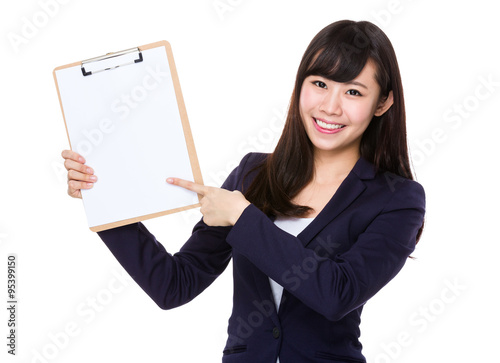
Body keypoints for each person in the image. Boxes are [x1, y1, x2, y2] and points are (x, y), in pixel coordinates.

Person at [62, 20, 425, 363]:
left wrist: (243, 217)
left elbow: (336, 294)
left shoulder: (397, 199)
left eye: (353, 92)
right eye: (319, 84)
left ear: (383, 103)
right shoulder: (254, 174)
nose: (330, 106)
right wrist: (105, 200)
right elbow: (173, 285)